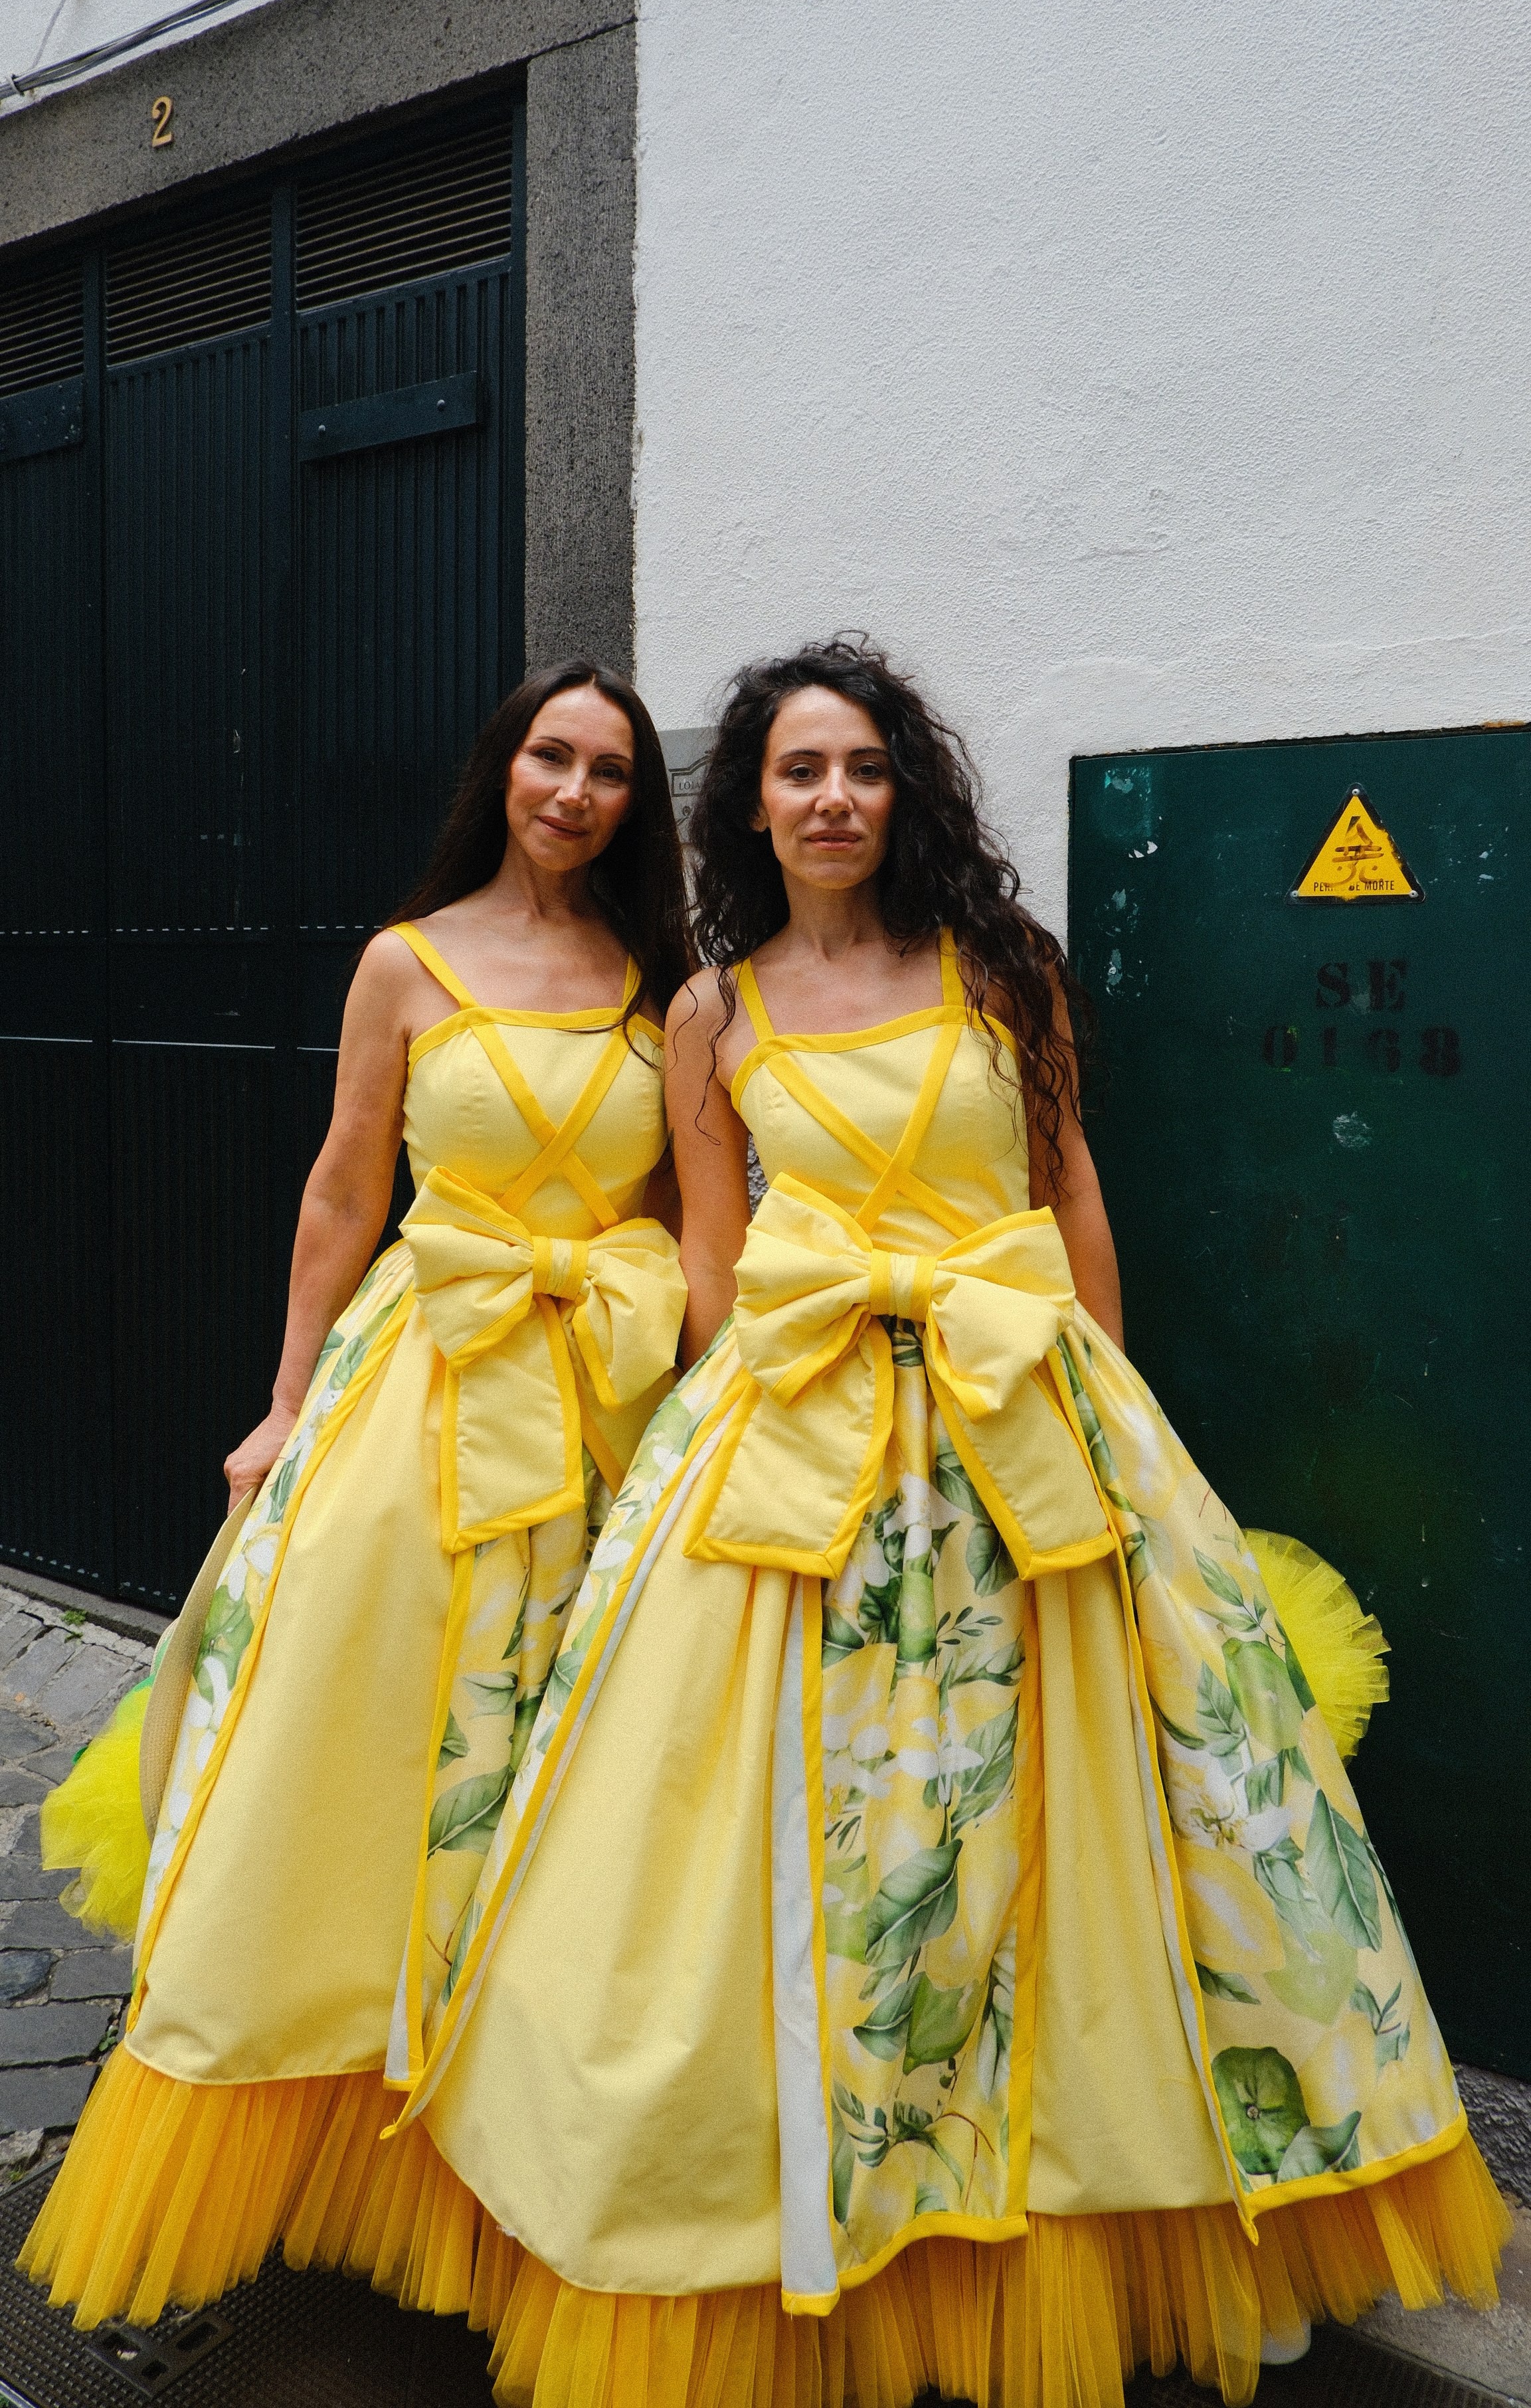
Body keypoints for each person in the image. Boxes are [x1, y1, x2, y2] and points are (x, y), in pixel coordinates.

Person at [303, 636, 1497, 2408]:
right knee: (776, 1842)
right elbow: (710, 1272)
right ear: (751, 805)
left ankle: (1099, 2200)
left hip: (1029, 1424)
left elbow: (1065, 1187)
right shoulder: (708, 1015)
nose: (835, 799)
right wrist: (678, 1483)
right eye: (799, 772)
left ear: (905, 788)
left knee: (1111, 1823)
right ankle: (777, 2216)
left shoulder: (1001, 966)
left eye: (862, 767)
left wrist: (1114, 1413)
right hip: (799, 1451)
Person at [23, 659, 691, 2332]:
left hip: (607, 1402)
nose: (575, 790)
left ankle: (498, 2139)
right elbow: (343, 1181)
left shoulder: (663, 980)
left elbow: (700, 1212)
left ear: (638, 799)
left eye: (611, 768)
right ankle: (336, 2105)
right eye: (553, 754)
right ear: (506, 766)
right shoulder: (407, 956)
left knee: (556, 1757)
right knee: (375, 1729)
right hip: (423, 1382)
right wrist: (282, 1397)